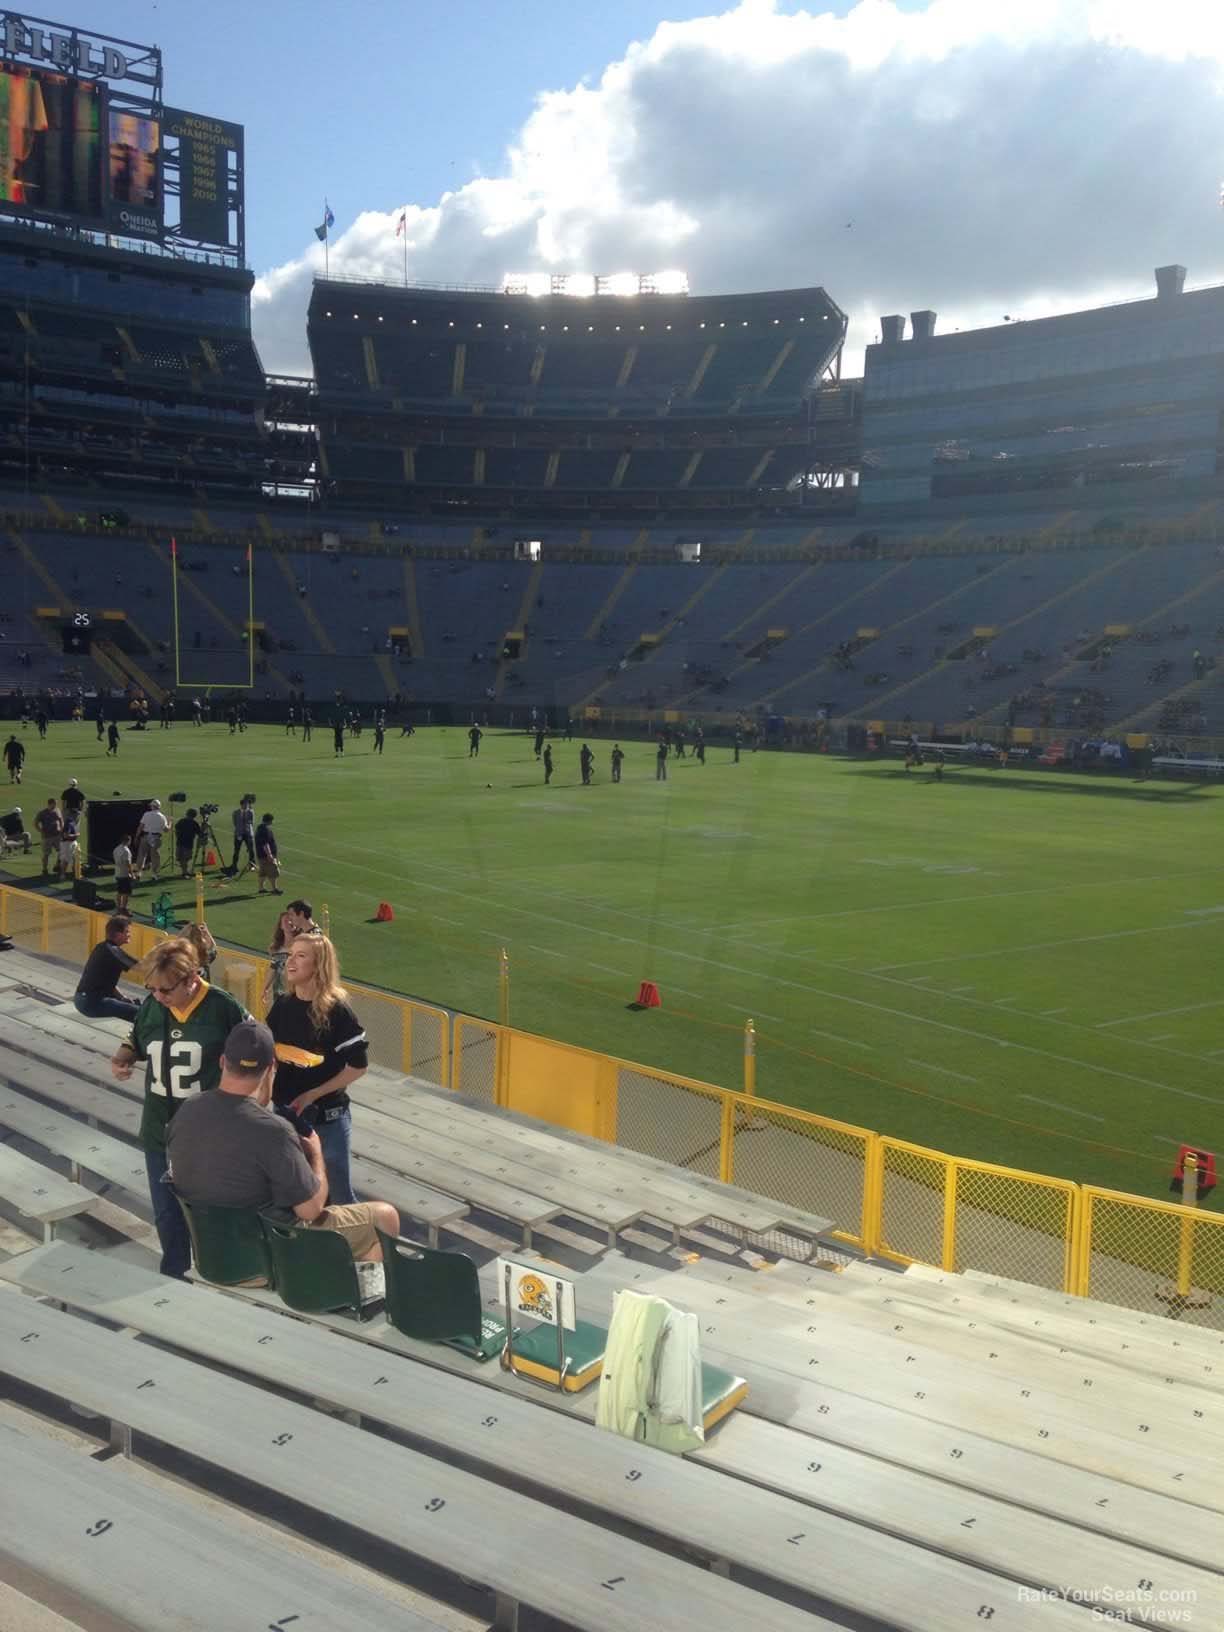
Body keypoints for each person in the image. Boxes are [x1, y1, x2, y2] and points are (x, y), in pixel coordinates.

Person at [166, 1020, 398, 1274]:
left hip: (214, 1257)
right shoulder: (274, 1131)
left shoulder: (187, 1110)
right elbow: (310, 1211)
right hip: (267, 1257)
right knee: (384, 1216)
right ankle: (342, 1291)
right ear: (271, 1068)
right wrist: (315, 1152)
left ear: (222, 1061)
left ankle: (341, 1288)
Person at [110, 937, 248, 1278]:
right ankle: (174, 1275)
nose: (158, 996)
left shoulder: (222, 1007)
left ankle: (219, 1274)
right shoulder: (154, 1004)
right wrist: (125, 1056)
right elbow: (137, 1036)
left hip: (207, 1134)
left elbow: (255, 1052)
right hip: (160, 1127)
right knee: (166, 1211)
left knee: (209, 1211)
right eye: (152, 988)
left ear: (191, 979)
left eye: (165, 989)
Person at [266, 933, 367, 1207]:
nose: (290, 961)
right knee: (294, 1197)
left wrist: (312, 1094)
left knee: (340, 1199)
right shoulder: (282, 1006)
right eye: (290, 954)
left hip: (327, 1120)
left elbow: (358, 1066)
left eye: (301, 956)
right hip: (286, 1116)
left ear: (319, 965)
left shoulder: (337, 1012)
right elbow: (273, 1053)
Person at [75, 914, 139, 1022]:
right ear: (118, 934)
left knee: (133, 1009)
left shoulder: (103, 947)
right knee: (141, 1013)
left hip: (83, 999)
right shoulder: (113, 951)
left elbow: (105, 981)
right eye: (127, 932)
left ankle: (137, 1031)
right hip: (91, 1002)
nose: (130, 935)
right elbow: (140, 968)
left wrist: (122, 997)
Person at [262, 899, 318, 1009]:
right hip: (292, 994)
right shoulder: (306, 936)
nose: (290, 920)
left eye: (291, 915)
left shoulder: (314, 937)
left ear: (301, 914)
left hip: (303, 995)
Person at [135, 799, 169, 879]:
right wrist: (170, 823)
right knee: (155, 856)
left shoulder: (146, 814)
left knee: (142, 855)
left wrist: (137, 836)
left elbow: (141, 826)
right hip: (156, 837)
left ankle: (139, 872)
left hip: (146, 836)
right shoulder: (162, 816)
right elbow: (166, 830)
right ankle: (154, 874)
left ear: (152, 806)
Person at [34, 797, 63, 875]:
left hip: (57, 835)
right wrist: (41, 831)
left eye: (56, 804)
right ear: (50, 804)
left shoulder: (57, 811)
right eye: (54, 804)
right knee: (46, 854)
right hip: (47, 837)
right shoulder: (42, 813)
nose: (56, 805)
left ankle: (57, 865)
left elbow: (61, 820)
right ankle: (44, 869)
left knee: (62, 851)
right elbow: (35, 823)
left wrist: (61, 830)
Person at [255, 811, 281, 895]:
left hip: (261, 855)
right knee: (273, 871)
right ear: (269, 821)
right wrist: (269, 855)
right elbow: (265, 843)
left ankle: (261, 888)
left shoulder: (259, 828)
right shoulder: (265, 830)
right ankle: (274, 889)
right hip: (266, 855)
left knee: (263, 872)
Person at [229, 795, 255, 875]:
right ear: (241, 805)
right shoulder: (236, 812)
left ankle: (252, 865)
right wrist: (239, 831)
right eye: (245, 804)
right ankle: (234, 865)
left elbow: (252, 822)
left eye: (247, 804)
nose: (246, 806)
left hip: (248, 834)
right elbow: (235, 823)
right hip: (239, 834)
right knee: (236, 850)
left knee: (251, 850)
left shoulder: (251, 812)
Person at [174, 807, 202, 877]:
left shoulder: (181, 821)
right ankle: (185, 871)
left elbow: (176, 830)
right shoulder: (194, 823)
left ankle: (184, 871)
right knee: (186, 858)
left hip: (180, 842)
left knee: (181, 858)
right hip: (188, 843)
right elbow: (200, 833)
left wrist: (177, 837)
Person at [113, 833, 134, 911]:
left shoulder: (116, 849)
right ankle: (124, 907)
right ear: (128, 841)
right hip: (124, 874)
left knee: (119, 891)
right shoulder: (126, 851)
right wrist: (132, 874)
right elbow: (127, 863)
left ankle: (119, 906)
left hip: (117, 872)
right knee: (126, 892)